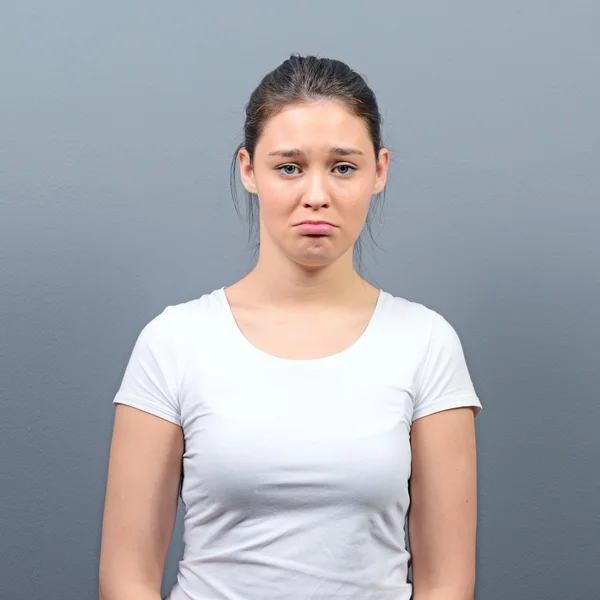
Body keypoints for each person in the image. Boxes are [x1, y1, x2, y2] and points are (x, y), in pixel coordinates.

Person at [99, 54, 482, 600]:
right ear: (249, 170)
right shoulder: (173, 342)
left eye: (343, 167)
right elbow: (126, 579)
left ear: (380, 171)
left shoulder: (426, 343)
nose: (317, 194)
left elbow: (447, 583)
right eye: (289, 166)